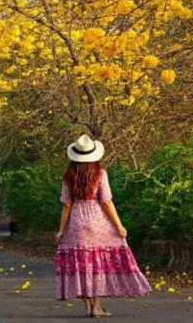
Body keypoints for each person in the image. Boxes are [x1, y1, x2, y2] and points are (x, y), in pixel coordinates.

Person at [55, 134, 151, 317]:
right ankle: (98, 306)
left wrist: (61, 230)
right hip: (98, 223)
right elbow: (106, 202)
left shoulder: (68, 176)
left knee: (80, 266)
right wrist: (119, 226)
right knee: (98, 265)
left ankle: (88, 307)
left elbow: (66, 205)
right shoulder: (100, 174)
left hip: (76, 224)